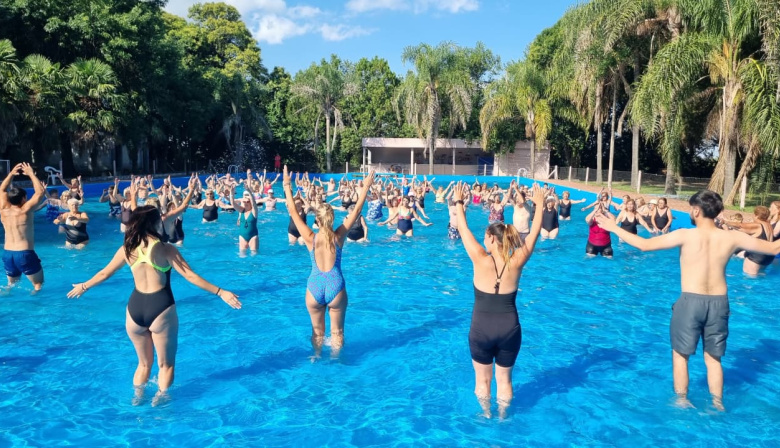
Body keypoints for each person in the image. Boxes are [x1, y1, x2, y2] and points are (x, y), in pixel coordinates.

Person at [595, 190, 780, 411]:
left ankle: (682, 401)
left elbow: (644, 245)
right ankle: (717, 404)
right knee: (713, 359)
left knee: (681, 355)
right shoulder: (732, 237)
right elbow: (774, 247)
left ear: (696, 210)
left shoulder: (685, 234)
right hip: (720, 303)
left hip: (691, 301)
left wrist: (613, 227)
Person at [67, 204, 241, 406]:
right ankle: (160, 405)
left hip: (134, 310)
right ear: (155, 222)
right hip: (160, 308)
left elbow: (105, 273)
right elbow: (190, 275)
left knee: (143, 364)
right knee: (166, 366)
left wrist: (84, 286)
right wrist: (220, 292)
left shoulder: (127, 248)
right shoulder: (165, 249)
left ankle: (137, 401)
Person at [452, 181, 545, 419]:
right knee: (505, 381)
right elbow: (533, 233)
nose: (484, 240)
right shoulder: (517, 261)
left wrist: (460, 202)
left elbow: (463, 230)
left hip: (481, 329)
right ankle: (504, 418)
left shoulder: (479, 259)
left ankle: (486, 416)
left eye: (486, 237)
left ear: (492, 239)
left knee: (483, 380)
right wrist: (540, 205)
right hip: (509, 329)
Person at [282, 166, 374, 358]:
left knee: (317, 333)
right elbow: (357, 210)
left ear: (316, 219)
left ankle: (315, 357)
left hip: (314, 285)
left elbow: (292, 210)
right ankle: (336, 362)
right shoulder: (339, 236)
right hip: (335, 285)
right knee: (337, 333)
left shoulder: (309, 237)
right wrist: (365, 187)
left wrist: (286, 185)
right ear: (332, 218)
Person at [0, 163, 45, 291]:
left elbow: (2, 190)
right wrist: (31, 173)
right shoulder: (25, 210)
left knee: (11, 286)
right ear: (24, 199)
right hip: (24, 254)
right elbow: (40, 192)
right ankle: (36, 308)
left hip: (8, 253)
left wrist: (11, 174)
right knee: (38, 285)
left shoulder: (3, 209)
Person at [723, 206, 775, 275]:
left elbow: (740, 226)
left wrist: (725, 222)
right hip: (769, 257)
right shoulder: (769, 225)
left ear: (756, 216)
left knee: (749, 279)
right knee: (761, 276)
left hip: (757, 256)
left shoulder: (758, 225)